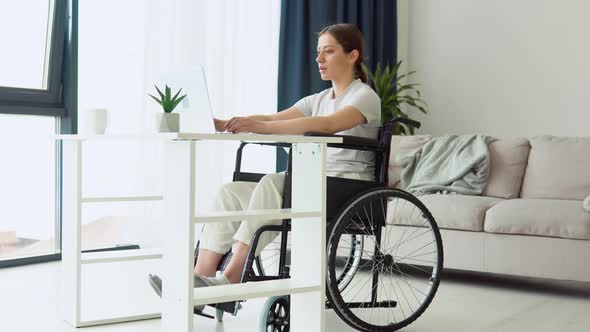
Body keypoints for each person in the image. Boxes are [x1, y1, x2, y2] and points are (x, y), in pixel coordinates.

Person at [148, 23, 381, 313]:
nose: (319, 59)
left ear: (352, 55)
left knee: (274, 183)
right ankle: (200, 281)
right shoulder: (319, 100)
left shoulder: (364, 96)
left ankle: (230, 282)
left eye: (328, 52)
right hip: (312, 183)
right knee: (230, 193)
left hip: (345, 185)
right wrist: (226, 123)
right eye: (318, 52)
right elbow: (272, 119)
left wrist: (259, 126)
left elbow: (328, 125)